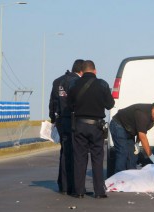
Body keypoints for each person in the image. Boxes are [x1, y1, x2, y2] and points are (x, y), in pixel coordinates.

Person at [68, 60, 115, 199]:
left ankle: (79, 191)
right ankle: (99, 192)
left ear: (82, 71)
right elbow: (110, 104)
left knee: (80, 158)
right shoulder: (102, 84)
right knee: (97, 158)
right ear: (95, 71)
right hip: (96, 126)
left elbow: (69, 105)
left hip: (79, 125)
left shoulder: (74, 84)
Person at [48, 59, 84, 194]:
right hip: (74, 121)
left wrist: (53, 119)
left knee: (64, 152)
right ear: (81, 71)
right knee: (75, 154)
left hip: (61, 121)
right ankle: (73, 186)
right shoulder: (78, 82)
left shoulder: (57, 81)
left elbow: (52, 103)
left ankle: (63, 185)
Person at [109, 101, 154, 174]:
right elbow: (142, 136)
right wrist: (150, 155)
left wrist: (137, 143)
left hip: (129, 130)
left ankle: (131, 176)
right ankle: (119, 178)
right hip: (118, 125)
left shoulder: (151, 120)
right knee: (122, 152)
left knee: (133, 154)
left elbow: (141, 130)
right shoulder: (142, 114)